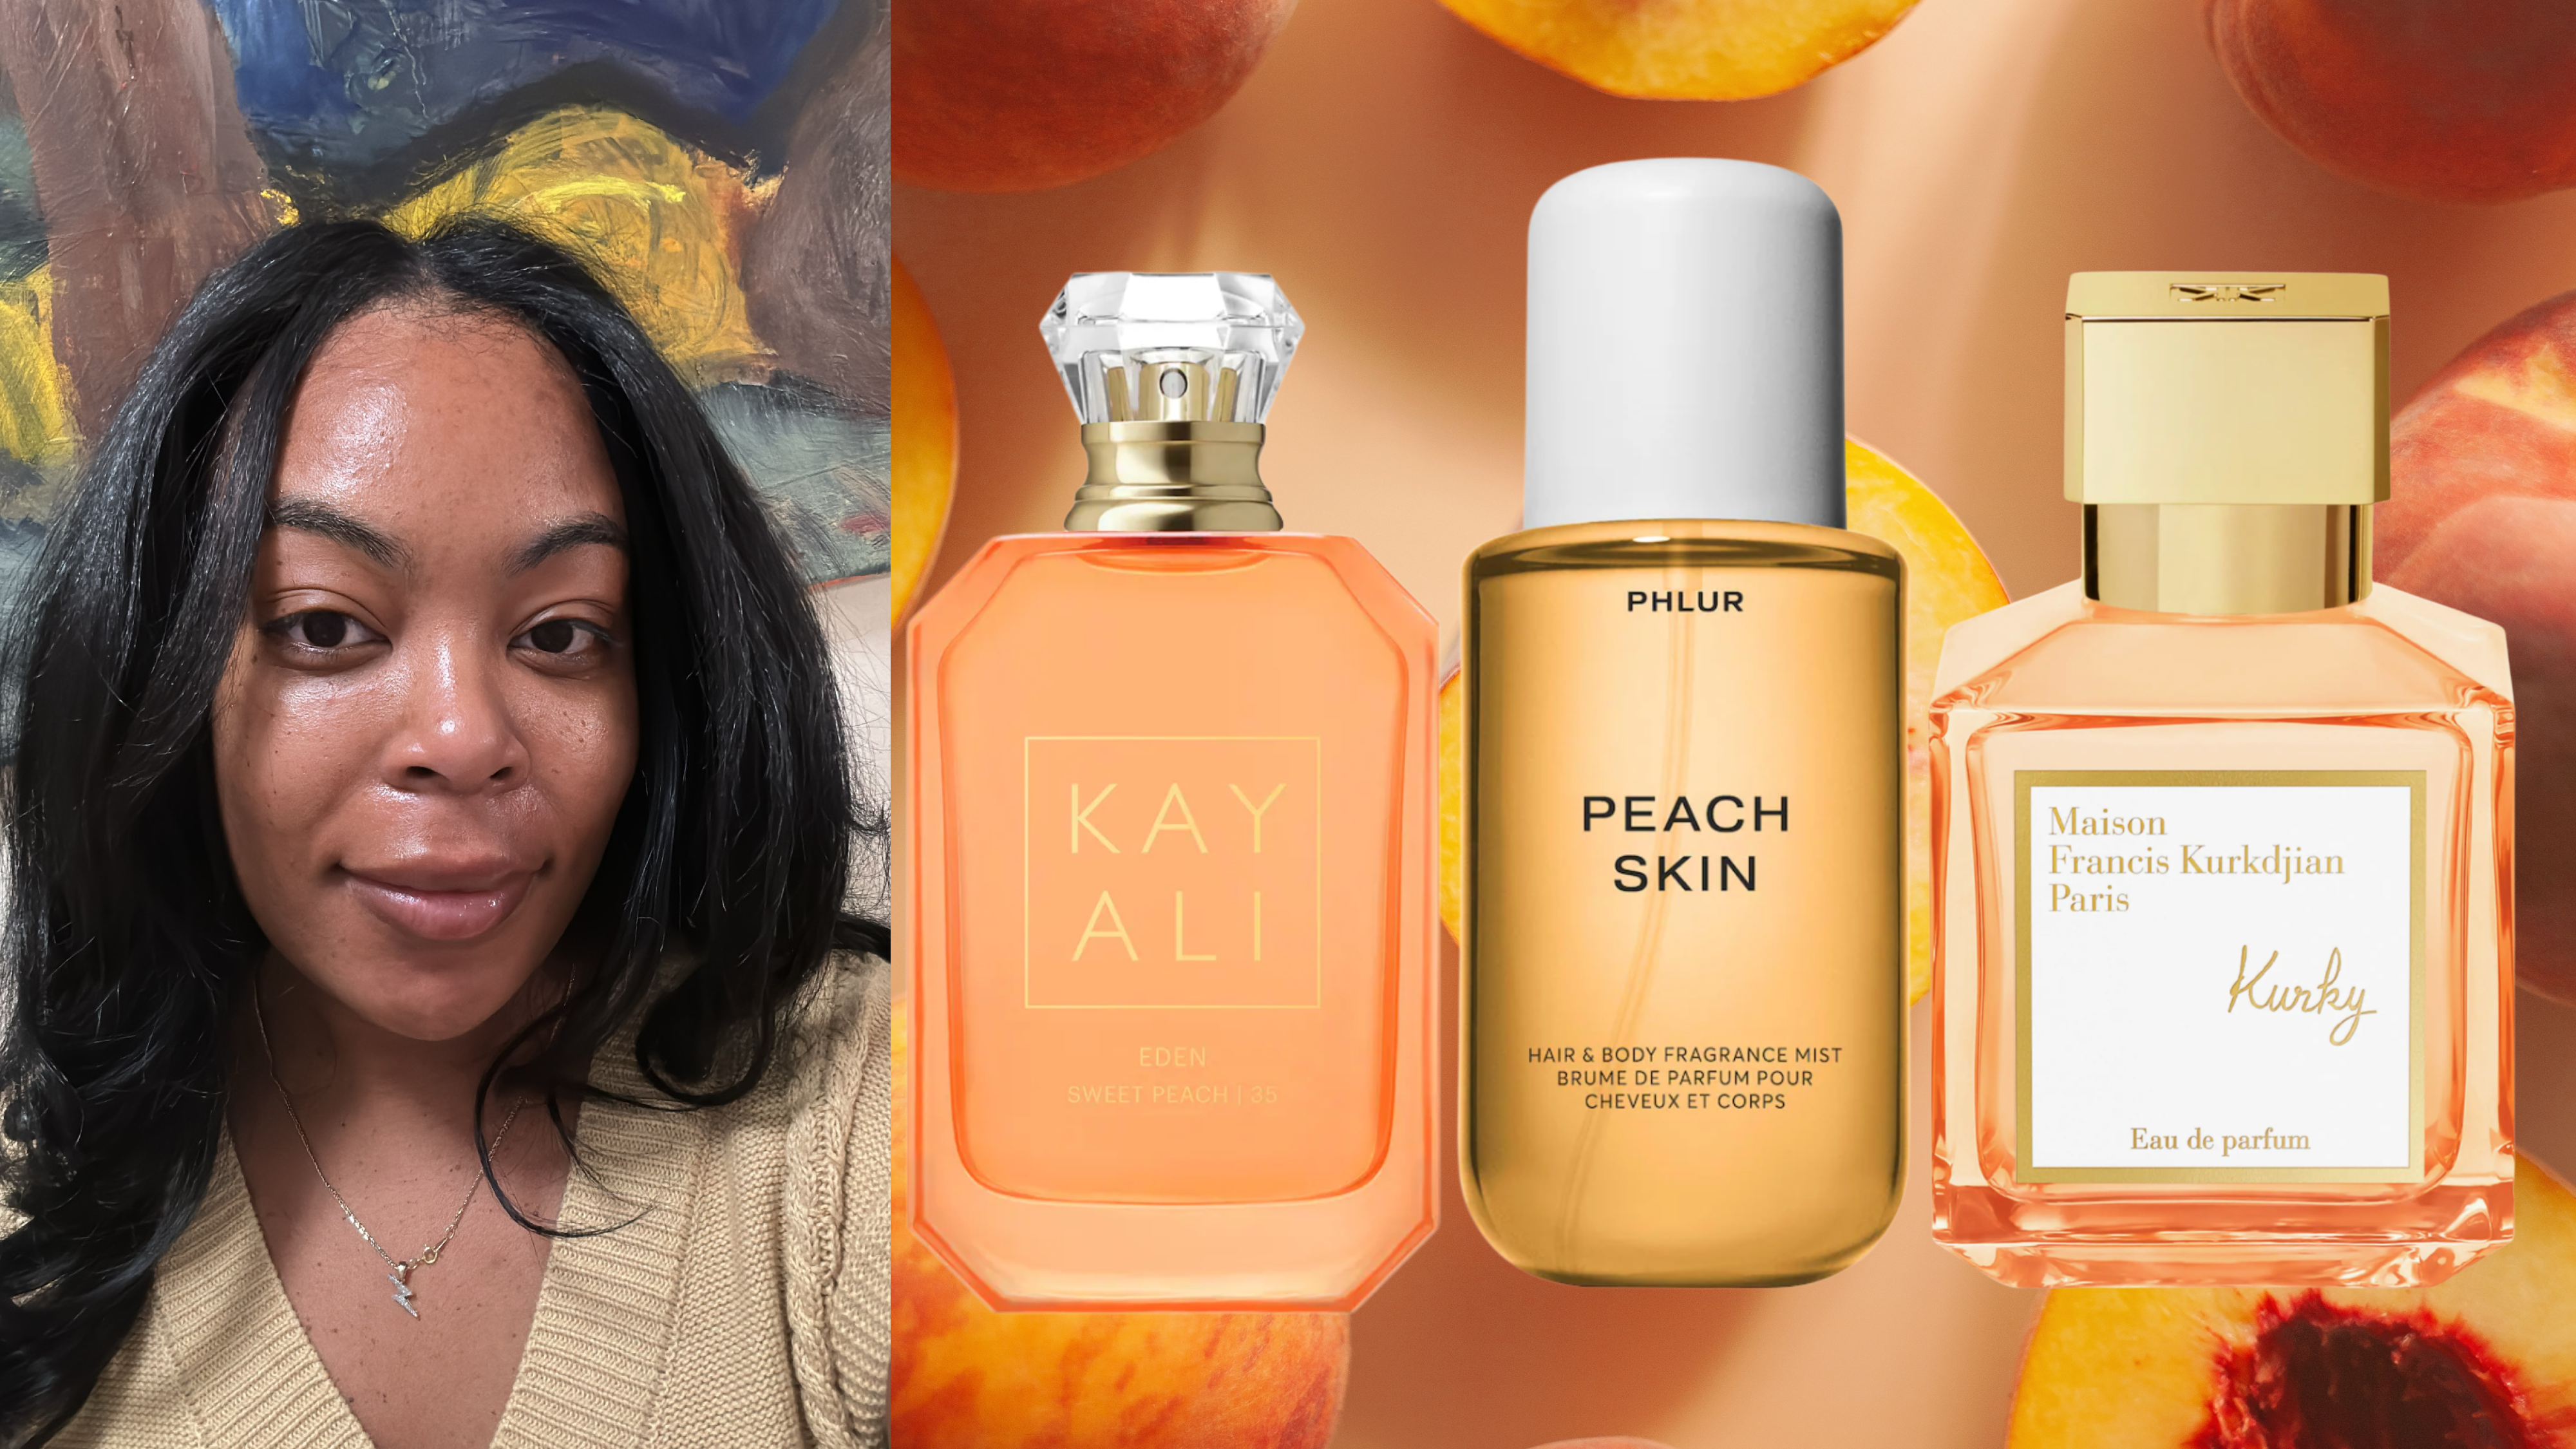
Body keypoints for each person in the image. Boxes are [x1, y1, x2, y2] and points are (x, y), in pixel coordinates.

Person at [0, 218, 891, 1448]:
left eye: (561, 632)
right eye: (324, 626)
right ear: (163, 673)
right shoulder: (32, 1197)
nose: (464, 738)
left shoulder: (867, 1111)